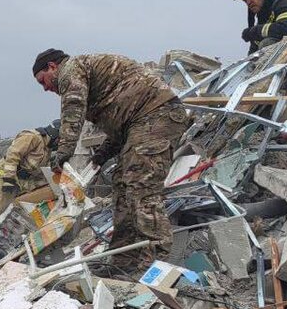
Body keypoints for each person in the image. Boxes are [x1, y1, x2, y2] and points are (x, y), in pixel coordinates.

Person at [32, 48, 189, 267]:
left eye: (43, 81)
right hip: (142, 121)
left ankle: (159, 264)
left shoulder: (70, 70)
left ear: (52, 67)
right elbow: (121, 124)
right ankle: (123, 261)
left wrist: (64, 151)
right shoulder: (93, 79)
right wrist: (102, 154)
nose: (46, 88)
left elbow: (73, 108)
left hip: (156, 115)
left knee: (140, 185)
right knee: (122, 185)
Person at [0, 121, 59, 240]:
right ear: (55, 135)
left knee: (19, 206)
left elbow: (36, 171)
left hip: (21, 180)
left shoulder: (46, 149)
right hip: (7, 174)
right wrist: (8, 179)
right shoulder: (32, 137)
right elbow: (12, 155)